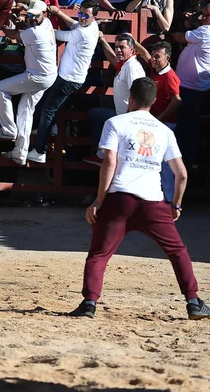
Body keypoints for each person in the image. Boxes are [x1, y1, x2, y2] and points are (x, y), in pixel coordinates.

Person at [69, 77, 210, 320]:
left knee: (99, 254)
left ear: (130, 98)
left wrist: (98, 201)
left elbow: (109, 162)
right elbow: (182, 175)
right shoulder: (164, 131)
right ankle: (193, 301)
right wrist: (175, 204)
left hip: (119, 199)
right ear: (154, 101)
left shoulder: (115, 123)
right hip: (153, 202)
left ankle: (90, 302)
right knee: (177, 251)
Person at [28, 1, 99, 164]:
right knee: (48, 107)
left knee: (48, 110)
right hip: (71, 77)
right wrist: (59, 13)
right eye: (80, 13)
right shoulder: (91, 27)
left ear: (93, 16)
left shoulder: (83, 33)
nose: (81, 18)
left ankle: (39, 150)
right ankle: (47, 129)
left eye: (85, 15)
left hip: (68, 78)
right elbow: (75, 25)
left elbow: (61, 35)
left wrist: (39, 28)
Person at [0, 0, 57, 165]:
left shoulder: (34, 33)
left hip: (37, 76)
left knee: (0, 89)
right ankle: (20, 153)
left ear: (44, 14)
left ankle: (8, 130)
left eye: (35, 16)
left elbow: (12, 35)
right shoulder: (47, 23)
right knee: (25, 111)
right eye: (30, 15)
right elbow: (35, 16)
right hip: (48, 76)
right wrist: (26, 10)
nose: (32, 19)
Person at [83, 32, 145, 166]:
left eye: (122, 47)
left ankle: (103, 155)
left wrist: (130, 120)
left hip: (125, 118)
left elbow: (138, 94)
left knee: (96, 114)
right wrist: (102, 39)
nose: (118, 50)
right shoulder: (125, 64)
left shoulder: (131, 67)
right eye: (116, 47)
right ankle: (104, 154)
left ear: (132, 49)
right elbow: (112, 57)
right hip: (123, 116)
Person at [132, 40, 181, 202]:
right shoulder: (157, 69)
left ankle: (169, 199)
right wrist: (134, 42)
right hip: (156, 124)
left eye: (158, 57)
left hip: (165, 125)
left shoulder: (169, 76)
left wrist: (160, 119)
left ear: (167, 58)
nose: (153, 59)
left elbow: (177, 100)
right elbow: (146, 55)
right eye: (154, 56)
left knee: (165, 163)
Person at [171, 1, 210, 170]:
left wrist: (182, 26)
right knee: (190, 123)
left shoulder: (206, 31)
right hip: (197, 86)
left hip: (190, 87)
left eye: (207, 15)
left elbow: (179, 37)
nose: (203, 18)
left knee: (182, 124)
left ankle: (180, 160)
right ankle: (189, 160)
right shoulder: (202, 31)